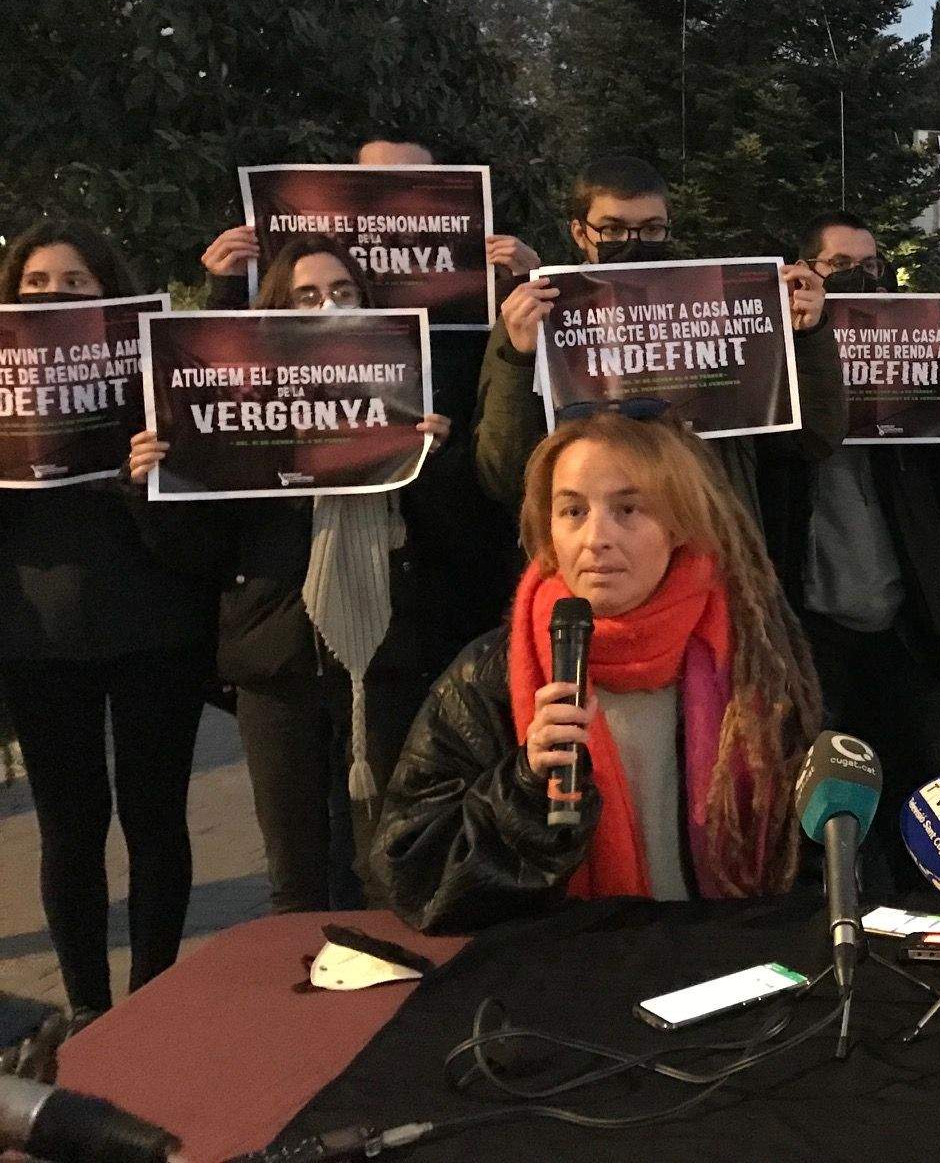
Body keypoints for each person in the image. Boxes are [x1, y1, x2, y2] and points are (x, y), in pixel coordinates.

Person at [373, 412, 823, 933]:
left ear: (678, 525)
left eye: (628, 509)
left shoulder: (755, 659)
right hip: (568, 974)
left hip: (727, 966)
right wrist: (524, 786)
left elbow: (810, 854)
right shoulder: (487, 676)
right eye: (572, 511)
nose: (596, 538)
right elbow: (414, 874)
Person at [128, 237, 451, 914]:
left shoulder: (407, 400)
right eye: (305, 296)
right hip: (275, 664)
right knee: (296, 873)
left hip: (380, 657)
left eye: (342, 293)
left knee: (384, 865)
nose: (327, 307)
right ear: (274, 312)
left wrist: (433, 461)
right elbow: (197, 554)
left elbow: (452, 539)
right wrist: (158, 480)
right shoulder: (233, 413)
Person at [199, 136, 540, 659]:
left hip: (413, 614)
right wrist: (225, 290)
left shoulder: (470, 312)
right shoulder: (282, 315)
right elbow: (226, 402)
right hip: (281, 629)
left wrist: (517, 286)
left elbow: (489, 472)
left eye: (410, 184)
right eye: (374, 184)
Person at [0, 221, 216, 1030]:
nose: (54, 297)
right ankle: (87, 1006)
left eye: (75, 285)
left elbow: (199, 527)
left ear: (108, 293)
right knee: (69, 823)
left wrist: (147, 479)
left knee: (154, 815)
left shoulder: (156, 380)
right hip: (37, 638)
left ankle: (155, 992)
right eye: (37, 286)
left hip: (156, 626)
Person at [470, 155, 845, 590]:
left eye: (651, 229)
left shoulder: (720, 308)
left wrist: (809, 335)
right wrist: (519, 359)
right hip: (594, 569)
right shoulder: (537, 318)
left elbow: (816, 438)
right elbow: (500, 473)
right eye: (612, 230)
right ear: (579, 233)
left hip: (713, 563)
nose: (634, 241)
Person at [791, 213, 940, 845]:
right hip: (814, 629)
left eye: (872, 267)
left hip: (903, 625)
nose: (862, 278)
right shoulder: (781, 371)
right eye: (841, 267)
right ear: (805, 273)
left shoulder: (916, 370)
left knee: (923, 788)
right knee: (826, 814)